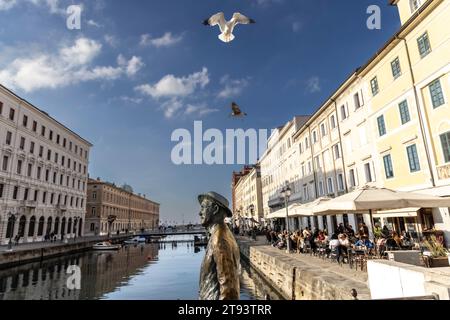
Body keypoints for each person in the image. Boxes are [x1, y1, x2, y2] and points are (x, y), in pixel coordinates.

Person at [198, 192, 240, 300]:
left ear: (215, 209)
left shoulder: (219, 239)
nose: (200, 213)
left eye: (203, 208)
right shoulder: (221, 234)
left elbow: (229, 290)